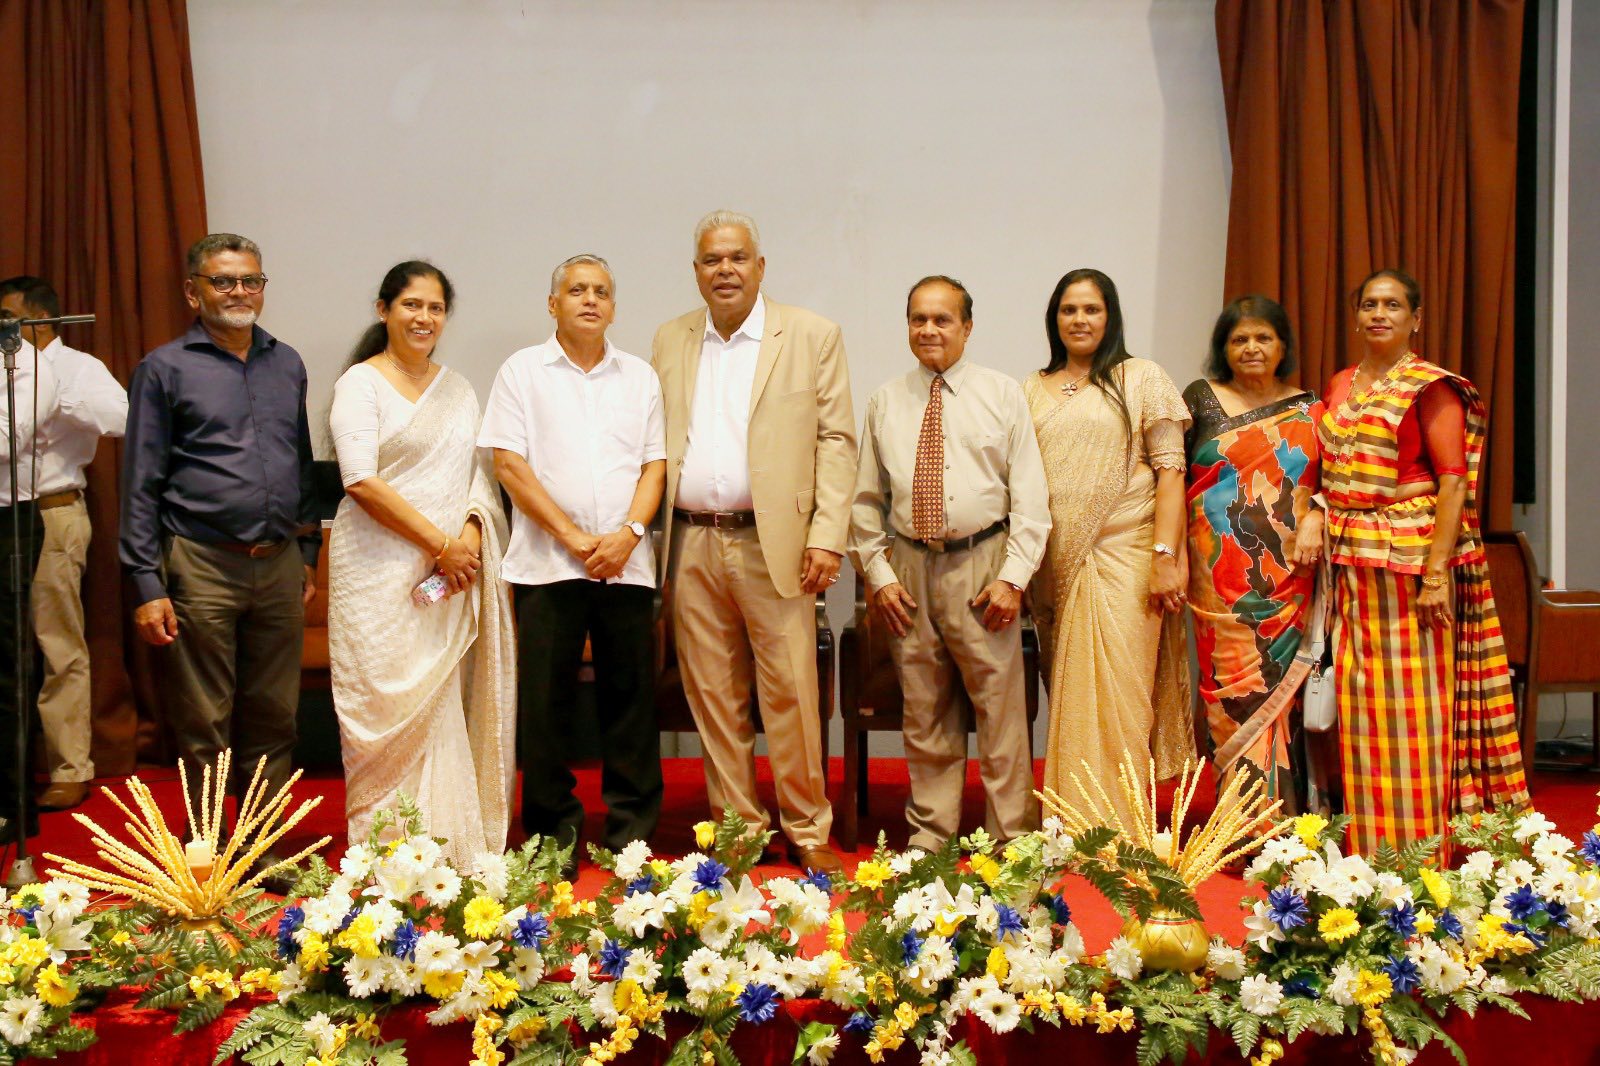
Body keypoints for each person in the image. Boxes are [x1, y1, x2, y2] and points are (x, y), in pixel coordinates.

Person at [653, 210, 856, 875]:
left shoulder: (811, 334)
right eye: (712, 260)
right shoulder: (670, 339)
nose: (726, 270)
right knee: (713, 697)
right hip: (691, 541)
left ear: (760, 266)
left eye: (738, 257)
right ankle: (737, 832)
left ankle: (807, 826)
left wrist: (827, 536)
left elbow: (837, 441)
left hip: (779, 543)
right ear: (696, 272)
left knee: (792, 691)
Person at [121, 233, 320, 886]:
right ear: (193, 291)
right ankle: (207, 852)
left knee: (275, 716)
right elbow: (140, 482)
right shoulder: (163, 369)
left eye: (251, 281)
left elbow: (298, 461)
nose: (240, 292)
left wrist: (308, 549)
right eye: (224, 281)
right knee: (204, 717)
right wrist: (146, 583)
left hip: (279, 560)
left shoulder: (286, 362)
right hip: (201, 562)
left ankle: (263, 847)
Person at [1320, 268, 1528, 852]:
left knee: (1414, 709)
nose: (1378, 314)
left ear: (1415, 319)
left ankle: (1418, 853)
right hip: (1351, 558)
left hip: (1412, 561)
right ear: (1356, 317)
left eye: (1392, 305)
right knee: (1360, 706)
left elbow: (1454, 482)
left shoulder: (1431, 387)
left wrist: (1437, 575)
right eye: (1369, 304)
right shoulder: (1341, 383)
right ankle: (1369, 852)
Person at [849, 276, 1049, 850]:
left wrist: (1013, 580)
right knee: (925, 711)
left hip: (983, 566)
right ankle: (931, 838)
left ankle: (1012, 842)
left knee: (1000, 715)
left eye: (942, 319)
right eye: (918, 319)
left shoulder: (1002, 394)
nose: (929, 329)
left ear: (967, 327)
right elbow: (865, 501)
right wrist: (880, 577)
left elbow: (1030, 497)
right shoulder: (886, 401)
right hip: (910, 569)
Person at [327, 261, 514, 867]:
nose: (424, 318)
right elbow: (360, 480)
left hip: (447, 576)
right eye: (411, 305)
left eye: (435, 308)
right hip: (376, 573)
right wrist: (441, 545)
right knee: (382, 707)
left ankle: (449, 851)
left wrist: (469, 540)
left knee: (439, 700)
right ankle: (383, 856)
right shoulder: (360, 383)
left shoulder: (458, 389)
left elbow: (480, 477)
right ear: (384, 310)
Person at [479, 255, 665, 863]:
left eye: (601, 292)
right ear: (553, 303)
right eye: (577, 290)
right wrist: (574, 538)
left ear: (613, 306)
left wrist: (629, 534)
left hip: (626, 565)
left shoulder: (639, 376)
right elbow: (509, 465)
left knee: (630, 703)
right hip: (546, 565)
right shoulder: (521, 372)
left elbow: (654, 464)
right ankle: (550, 836)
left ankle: (632, 836)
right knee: (545, 705)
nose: (590, 300)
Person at [1027, 268, 1193, 829]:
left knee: (1122, 692)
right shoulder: (1030, 389)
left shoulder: (1142, 378)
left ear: (1111, 316)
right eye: (1069, 309)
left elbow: (1171, 472)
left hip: (1127, 558)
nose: (1080, 320)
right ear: (1054, 318)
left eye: (1091, 309)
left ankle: (1119, 826)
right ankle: (1070, 825)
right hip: (1054, 568)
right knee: (1071, 698)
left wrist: (1166, 557)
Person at [1182, 295, 1325, 812]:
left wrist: (1318, 514)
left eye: (1264, 337)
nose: (1252, 348)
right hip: (1218, 581)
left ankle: (1291, 823)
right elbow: (1168, 483)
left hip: (1290, 578)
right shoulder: (1200, 399)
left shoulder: (1311, 409)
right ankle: (1241, 821)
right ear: (1223, 348)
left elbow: (1337, 481)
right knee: (1232, 691)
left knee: (1288, 693)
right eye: (1239, 339)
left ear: (1283, 346)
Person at [0, 277, 127, 812]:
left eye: (8, 317)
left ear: (39, 320)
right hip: (3, 514)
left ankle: (69, 767)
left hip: (52, 512)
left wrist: (50, 390)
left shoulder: (77, 367)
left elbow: (119, 419)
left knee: (56, 641)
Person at [0, 301, 58, 847]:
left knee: (7, 667)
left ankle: (11, 807)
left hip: (7, 520)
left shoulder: (23, 359)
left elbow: (7, 441)